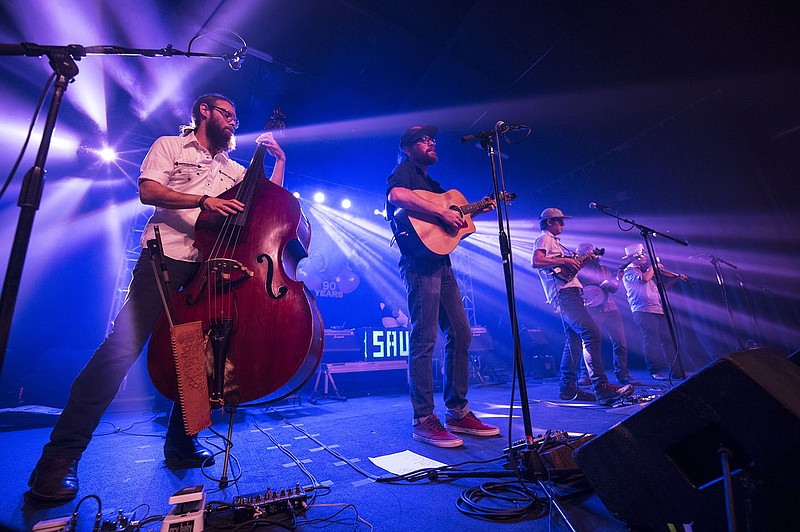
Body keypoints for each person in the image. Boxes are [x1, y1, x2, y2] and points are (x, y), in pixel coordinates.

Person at [27, 94, 287, 502]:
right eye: (227, 115)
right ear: (205, 112)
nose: (234, 123)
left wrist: (279, 164)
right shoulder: (169, 146)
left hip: (207, 268)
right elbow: (149, 191)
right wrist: (202, 201)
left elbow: (270, 204)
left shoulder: (233, 168)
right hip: (164, 257)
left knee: (196, 356)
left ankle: (182, 444)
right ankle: (59, 457)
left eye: (237, 118)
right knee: (121, 349)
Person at [386, 125, 499, 448]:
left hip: (441, 263)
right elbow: (396, 196)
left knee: (462, 333)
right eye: (423, 139)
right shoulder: (405, 170)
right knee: (424, 338)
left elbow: (449, 221)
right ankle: (423, 417)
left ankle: (457, 410)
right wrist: (441, 213)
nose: (431, 142)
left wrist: (470, 213)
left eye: (432, 138)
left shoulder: (433, 184)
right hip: (420, 264)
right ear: (408, 148)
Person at [531, 208, 635, 405]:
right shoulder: (544, 238)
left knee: (573, 341)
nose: (563, 225)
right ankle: (601, 387)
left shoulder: (554, 242)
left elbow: (562, 267)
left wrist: (577, 261)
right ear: (550, 222)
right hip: (565, 294)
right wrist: (565, 260)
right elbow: (536, 261)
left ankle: (568, 388)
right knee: (591, 333)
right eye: (560, 221)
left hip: (570, 293)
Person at [574, 242, 639, 386]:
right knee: (589, 343)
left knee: (620, 342)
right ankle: (586, 374)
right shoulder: (578, 271)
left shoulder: (603, 269)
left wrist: (617, 278)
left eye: (590, 252)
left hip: (610, 308)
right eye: (584, 253)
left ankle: (623, 374)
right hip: (590, 309)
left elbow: (613, 289)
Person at [620, 243, 687, 380]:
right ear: (636, 256)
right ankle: (654, 370)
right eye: (643, 254)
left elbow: (658, 288)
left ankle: (676, 371)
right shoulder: (629, 271)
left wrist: (676, 278)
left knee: (668, 340)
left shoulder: (644, 271)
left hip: (657, 309)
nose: (645, 257)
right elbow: (643, 280)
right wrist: (653, 267)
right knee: (651, 340)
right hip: (643, 310)